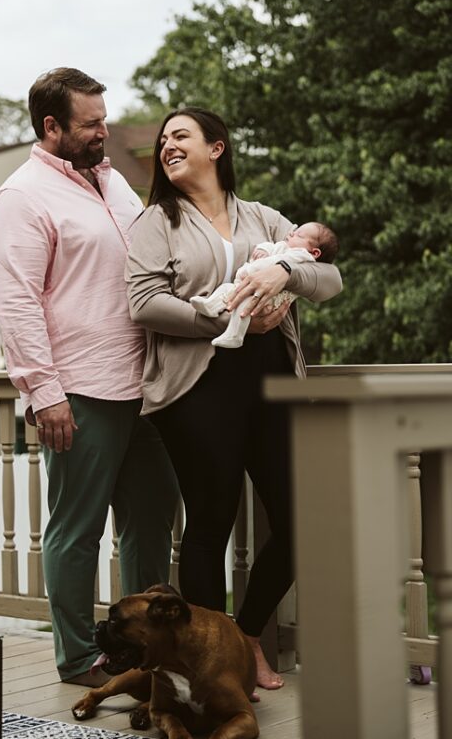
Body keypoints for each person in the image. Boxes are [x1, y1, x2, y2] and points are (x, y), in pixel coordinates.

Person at [125, 107, 342, 689]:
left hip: (271, 382)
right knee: (211, 520)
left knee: (301, 519)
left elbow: (330, 278)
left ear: (216, 148)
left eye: (181, 136)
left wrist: (284, 277)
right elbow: (143, 304)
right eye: (163, 140)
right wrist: (220, 316)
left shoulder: (265, 218)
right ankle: (215, 661)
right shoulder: (155, 222)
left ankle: (245, 634)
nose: (167, 145)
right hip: (197, 386)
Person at [0, 68, 179, 687]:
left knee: (150, 527)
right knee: (77, 533)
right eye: (91, 123)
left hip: (147, 386)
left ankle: (145, 653)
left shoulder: (115, 179)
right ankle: (77, 659)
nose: (104, 131)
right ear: (52, 127)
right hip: (81, 391)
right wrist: (44, 394)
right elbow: (17, 302)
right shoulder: (21, 198)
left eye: (103, 118)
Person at [191, 221, 338, 348]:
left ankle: (235, 334)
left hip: (269, 297)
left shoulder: (302, 256)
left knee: (245, 305)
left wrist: (260, 269)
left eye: (299, 235)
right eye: (294, 231)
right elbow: (271, 247)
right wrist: (263, 249)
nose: (291, 234)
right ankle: (211, 306)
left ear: (315, 252)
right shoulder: (284, 247)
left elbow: (276, 264)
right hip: (247, 285)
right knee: (226, 289)